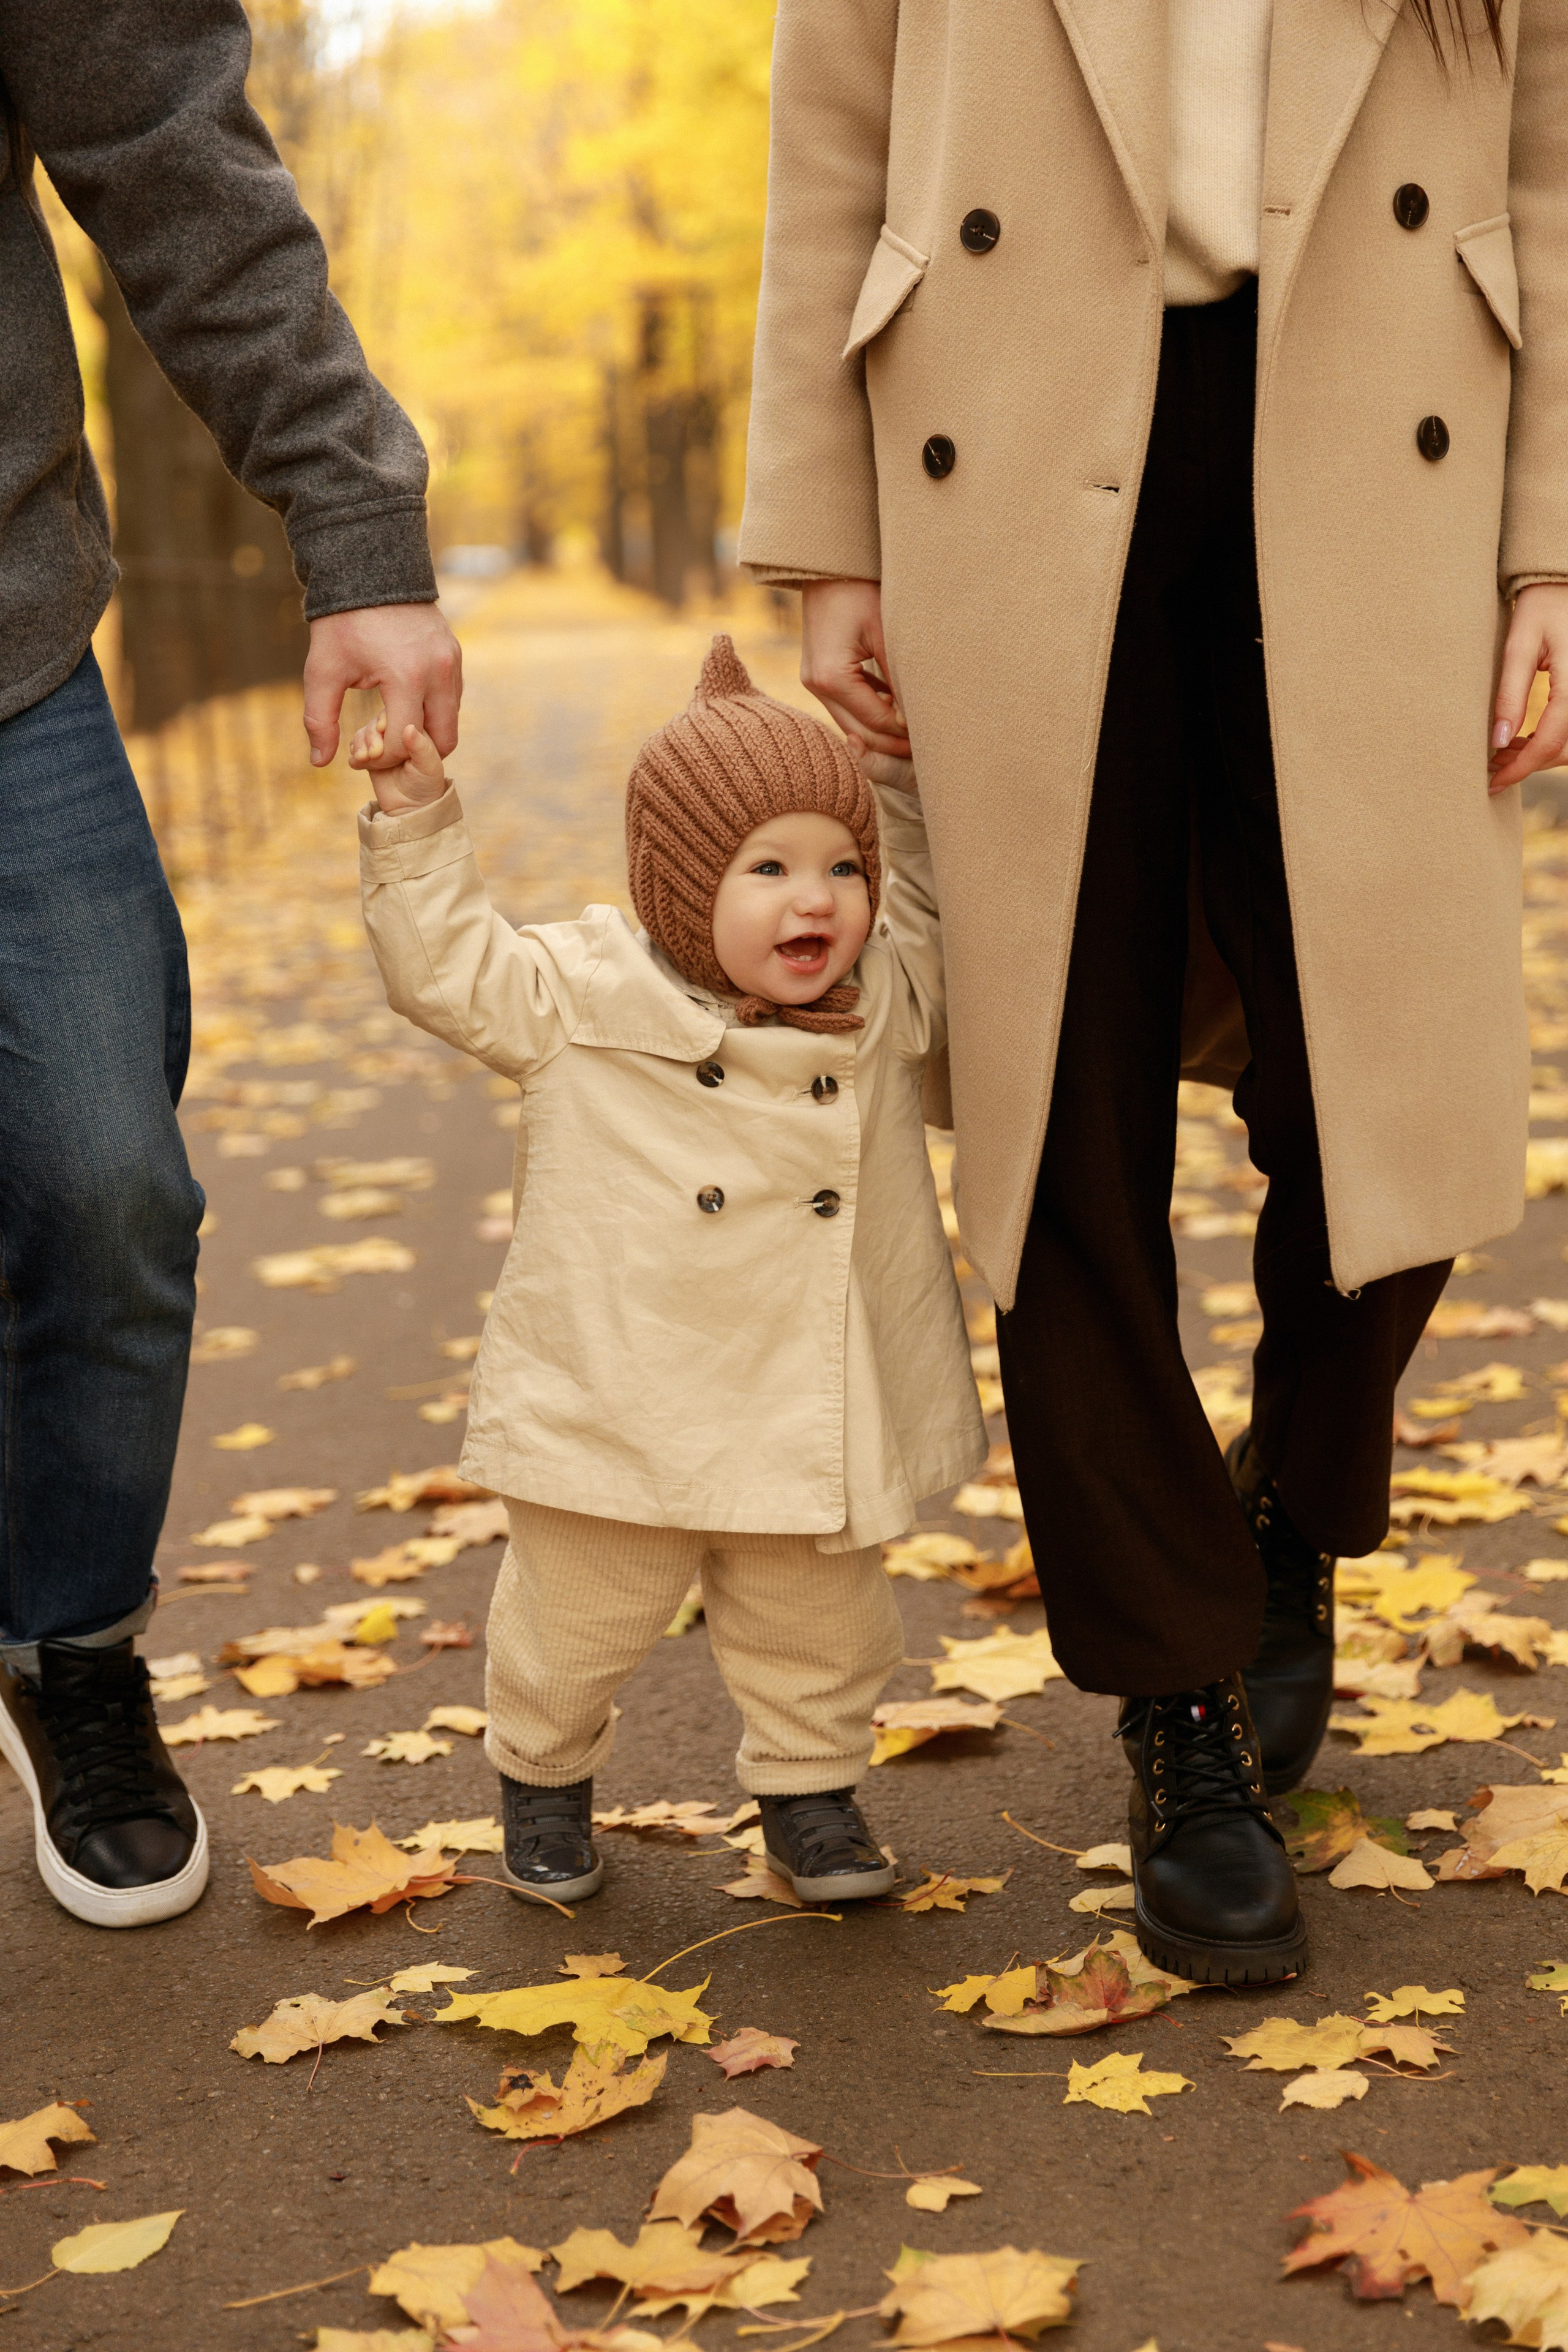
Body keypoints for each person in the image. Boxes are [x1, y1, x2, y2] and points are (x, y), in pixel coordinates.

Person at [738, 0, 1568, 1983]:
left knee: (1393, 1088)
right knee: (1062, 1104)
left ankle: (1288, 1507)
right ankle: (1179, 1705)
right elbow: (833, 122)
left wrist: (1553, 552)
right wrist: (822, 528)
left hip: (1385, 436)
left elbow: (1551, 150)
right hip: (1004, 438)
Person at [0, 1, 459, 1929]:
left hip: (4, 660)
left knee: (109, 1186)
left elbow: (171, 150)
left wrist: (354, 524)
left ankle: (73, 1645)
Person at [350, 636, 985, 1904]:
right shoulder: (578, 997)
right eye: (767, 869)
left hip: (809, 1397)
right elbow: (448, 966)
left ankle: (811, 1793)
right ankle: (542, 1773)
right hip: (623, 1392)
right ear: (683, 883)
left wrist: (898, 781)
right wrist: (416, 818)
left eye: (837, 867)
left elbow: (926, 908)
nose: (815, 902)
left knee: (823, 1624)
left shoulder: (879, 1006)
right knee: (572, 1624)